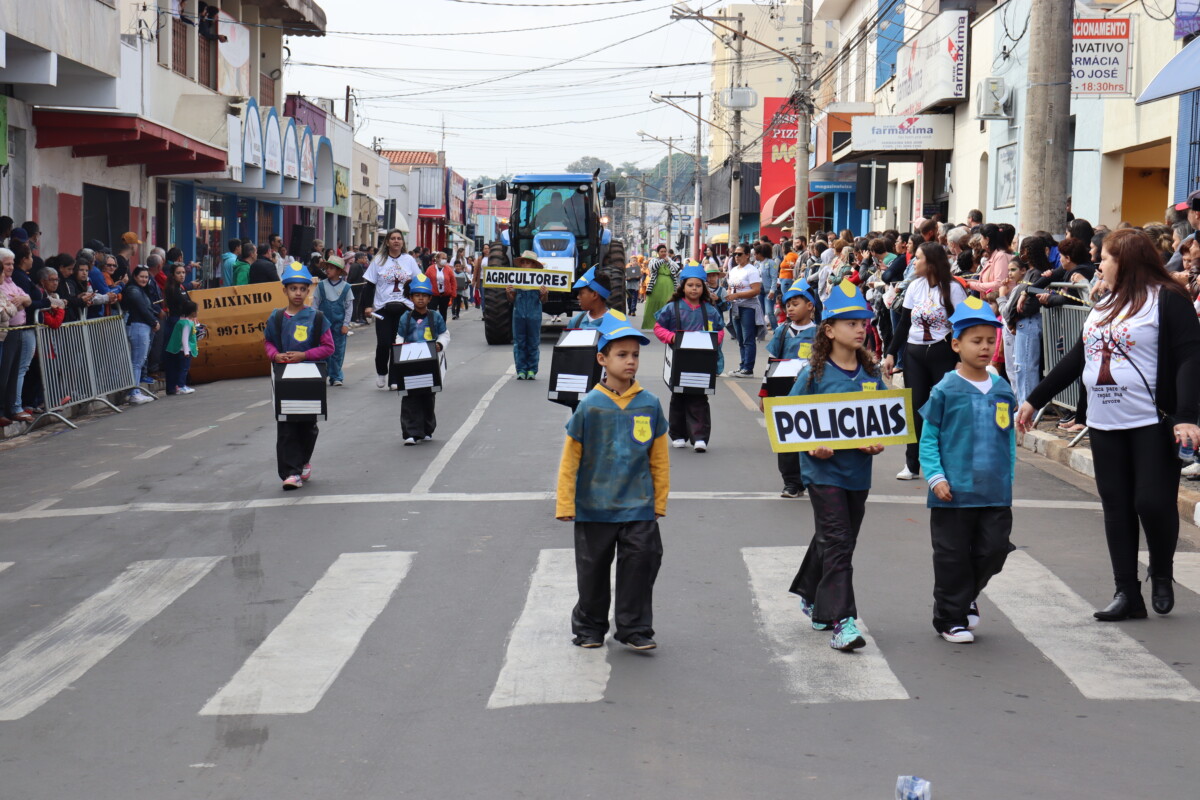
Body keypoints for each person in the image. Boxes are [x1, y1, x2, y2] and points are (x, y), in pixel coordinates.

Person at [1017, 228, 1200, 621]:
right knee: (1116, 506)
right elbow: (1077, 358)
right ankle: (1126, 593)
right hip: (1104, 422)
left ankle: (1161, 572)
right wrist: (1034, 399)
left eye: (1105, 258)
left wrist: (1187, 416)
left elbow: (1189, 357)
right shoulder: (1103, 305)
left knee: (1151, 502)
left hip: (1152, 420)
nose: (1098, 265)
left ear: (1126, 261)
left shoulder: (1167, 299)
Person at [555, 316, 669, 651]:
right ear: (602, 359)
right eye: (622, 354)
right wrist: (566, 503)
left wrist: (659, 501)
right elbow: (570, 460)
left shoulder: (649, 403)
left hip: (639, 506)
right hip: (595, 508)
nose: (630, 361)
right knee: (592, 573)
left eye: (635, 355)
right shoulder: (589, 406)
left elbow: (659, 459)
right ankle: (589, 628)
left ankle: (635, 628)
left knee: (640, 567)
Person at [787, 280, 886, 652]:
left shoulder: (871, 374)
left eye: (863, 322)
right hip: (822, 473)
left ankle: (813, 595)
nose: (860, 329)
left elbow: (881, 421)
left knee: (837, 540)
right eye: (850, 323)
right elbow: (788, 421)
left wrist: (877, 442)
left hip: (858, 473)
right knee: (839, 542)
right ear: (828, 330)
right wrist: (812, 445)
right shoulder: (813, 375)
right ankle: (842, 621)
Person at [919, 297, 1016, 644]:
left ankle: (965, 596)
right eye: (976, 341)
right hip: (953, 493)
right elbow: (929, 438)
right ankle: (949, 618)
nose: (985, 347)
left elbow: (1008, 440)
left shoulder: (1002, 389)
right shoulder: (945, 389)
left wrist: (1008, 479)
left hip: (994, 491)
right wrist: (936, 477)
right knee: (952, 558)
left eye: (991, 340)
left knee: (995, 549)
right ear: (956, 344)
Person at [884, 242, 966, 480]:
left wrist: (961, 359)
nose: (914, 262)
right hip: (914, 354)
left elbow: (962, 326)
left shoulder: (954, 289)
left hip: (943, 353)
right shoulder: (914, 286)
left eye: (918, 258)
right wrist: (891, 353)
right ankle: (912, 464)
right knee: (915, 409)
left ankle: (945, 462)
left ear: (931, 262)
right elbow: (904, 323)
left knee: (944, 409)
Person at [264, 262, 334, 490]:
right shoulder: (276, 318)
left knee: (308, 426)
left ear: (308, 291)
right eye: (293, 288)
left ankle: (303, 461)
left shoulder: (317, 318)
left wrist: (304, 355)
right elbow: (268, 343)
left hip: (310, 380)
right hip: (284, 379)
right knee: (286, 427)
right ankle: (290, 473)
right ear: (284, 290)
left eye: (302, 289)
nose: (297, 293)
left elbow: (328, 347)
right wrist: (275, 356)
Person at [653, 264, 725, 453]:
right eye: (690, 285)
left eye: (698, 285)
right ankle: (678, 435)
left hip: (702, 361)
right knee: (678, 396)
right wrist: (671, 337)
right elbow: (658, 328)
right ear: (683, 287)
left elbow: (720, 330)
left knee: (699, 397)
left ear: (704, 288)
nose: (694, 289)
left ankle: (700, 437)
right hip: (679, 360)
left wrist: (713, 340)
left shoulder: (710, 310)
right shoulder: (672, 308)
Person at [759, 281, 818, 498]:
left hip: (811, 393)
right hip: (783, 392)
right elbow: (771, 363)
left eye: (795, 304)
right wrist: (764, 393)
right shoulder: (782, 331)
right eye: (788, 305)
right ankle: (791, 482)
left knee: (811, 436)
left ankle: (811, 479)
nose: (790, 309)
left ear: (810, 306)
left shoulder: (821, 333)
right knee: (786, 437)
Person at [363, 229, 421, 389]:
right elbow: (369, 285)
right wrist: (367, 306)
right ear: (387, 242)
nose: (396, 241)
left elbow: (418, 281)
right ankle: (382, 372)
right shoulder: (379, 260)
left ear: (402, 242)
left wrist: (419, 303)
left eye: (399, 238)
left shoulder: (409, 260)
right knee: (383, 343)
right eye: (393, 238)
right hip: (383, 308)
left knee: (399, 343)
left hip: (404, 307)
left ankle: (394, 378)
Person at [396, 273, 450, 445]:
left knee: (428, 396)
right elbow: (399, 337)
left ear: (429, 298)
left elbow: (444, 334)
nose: (420, 299)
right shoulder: (405, 318)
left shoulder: (435, 317)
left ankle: (427, 429)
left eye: (424, 296)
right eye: (417, 295)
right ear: (411, 297)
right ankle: (411, 432)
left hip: (430, 364)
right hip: (410, 363)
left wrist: (439, 344)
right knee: (410, 397)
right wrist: (400, 351)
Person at [506, 250, 547, 380]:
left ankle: (532, 370)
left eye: (527, 262)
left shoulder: (541, 280)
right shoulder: (516, 279)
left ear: (534, 265)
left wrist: (544, 293)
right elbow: (511, 299)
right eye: (523, 262)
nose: (524, 265)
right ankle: (521, 370)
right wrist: (508, 292)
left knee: (533, 342)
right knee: (519, 342)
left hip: (534, 314)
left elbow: (544, 300)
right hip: (518, 313)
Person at [725, 243, 764, 377]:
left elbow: (756, 290)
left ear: (747, 255)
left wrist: (737, 295)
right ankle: (742, 366)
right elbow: (730, 287)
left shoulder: (751, 270)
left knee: (748, 339)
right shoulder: (733, 270)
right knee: (740, 338)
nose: (736, 256)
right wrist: (729, 295)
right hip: (735, 307)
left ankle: (748, 368)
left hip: (748, 307)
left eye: (739, 254)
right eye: (734, 254)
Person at [314, 255, 353, 387]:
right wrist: (314, 321)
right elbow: (315, 305)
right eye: (327, 268)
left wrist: (346, 324)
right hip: (323, 325)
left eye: (331, 268)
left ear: (339, 271)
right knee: (322, 349)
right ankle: (323, 374)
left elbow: (349, 307)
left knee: (338, 351)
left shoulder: (346, 287)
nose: (328, 270)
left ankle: (336, 376)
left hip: (339, 325)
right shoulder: (321, 286)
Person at [123, 266, 160, 405]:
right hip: (138, 326)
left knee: (138, 361)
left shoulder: (139, 290)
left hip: (141, 326)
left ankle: (134, 391)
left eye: (146, 277)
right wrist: (153, 322)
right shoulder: (133, 290)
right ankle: (134, 392)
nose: (144, 279)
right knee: (137, 362)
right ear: (135, 277)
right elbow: (142, 308)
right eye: (141, 277)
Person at [164, 299, 199, 396]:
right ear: (193, 312)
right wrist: (186, 351)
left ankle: (179, 386)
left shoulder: (182, 321)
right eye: (197, 310)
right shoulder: (187, 324)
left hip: (180, 349)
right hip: (184, 350)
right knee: (184, 369)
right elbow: (185, 338)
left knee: (181, 368)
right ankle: (181, 386)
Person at [639, 245, 678, 330]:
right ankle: (652, 324)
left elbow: (676, 268)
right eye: (661, 251)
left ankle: (666, 325)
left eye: (665, 251)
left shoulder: (669, 260)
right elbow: (652, 267)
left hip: (669, 286)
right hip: (656, 286)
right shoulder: (654, 260)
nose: (663, 253)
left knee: (667, 303)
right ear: (658, 253)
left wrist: (668, 261)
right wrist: (662, 261)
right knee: (654, 303)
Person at [426, 251, 456, 322]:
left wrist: (453, 293)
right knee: (431, 312)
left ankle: (442, 327)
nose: (444, 260)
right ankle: (431, 326)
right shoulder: (430, 269)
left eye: (445, 258)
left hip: (445, 295)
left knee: (443, 313)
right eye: (443, 258)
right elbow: (426, 280)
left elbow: (453, 281)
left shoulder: (448, 269)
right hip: (433, 294)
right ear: (437, 259)